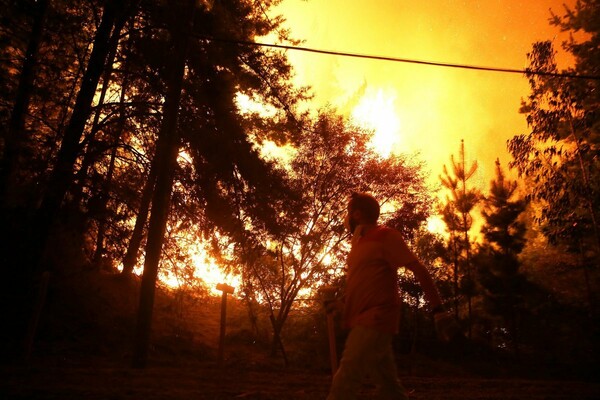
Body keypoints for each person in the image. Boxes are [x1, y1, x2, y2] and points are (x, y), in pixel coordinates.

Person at [326, 192, 458, 400]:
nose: (346, 217)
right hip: (365, 318)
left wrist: (438, 311)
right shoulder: (359, 244)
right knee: (388, 387)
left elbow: (419, 270)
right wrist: (340, 303)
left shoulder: (386, 236)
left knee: (345, 378)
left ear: (357, 215)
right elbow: (364, 285)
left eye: (348, 212)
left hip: (376, 318)